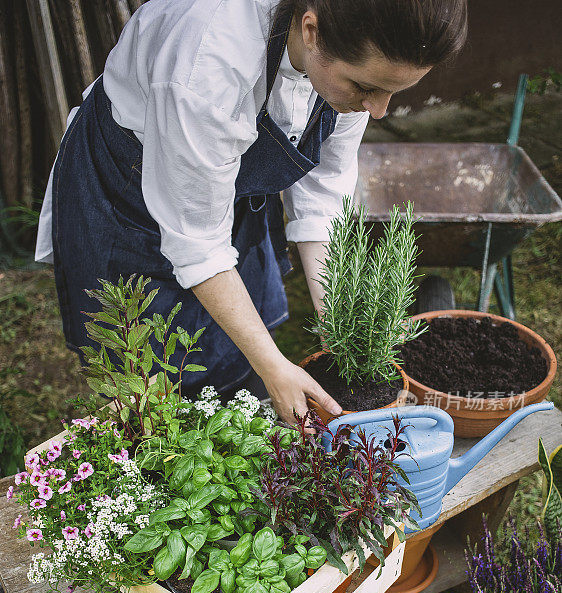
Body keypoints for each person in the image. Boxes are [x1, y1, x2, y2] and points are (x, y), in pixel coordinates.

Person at [35, 0, 467, 424]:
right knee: (145, 383)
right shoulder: (209, 65)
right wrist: (274, 366)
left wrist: (335, 320)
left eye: (393, 91)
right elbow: (199, 243)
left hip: (224, 187)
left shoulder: (351, 53)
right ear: (312, 32)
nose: (379, 109)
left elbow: (321, 193)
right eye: (367, 88)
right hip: (127, 194)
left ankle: (233, 411)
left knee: (237, 357)